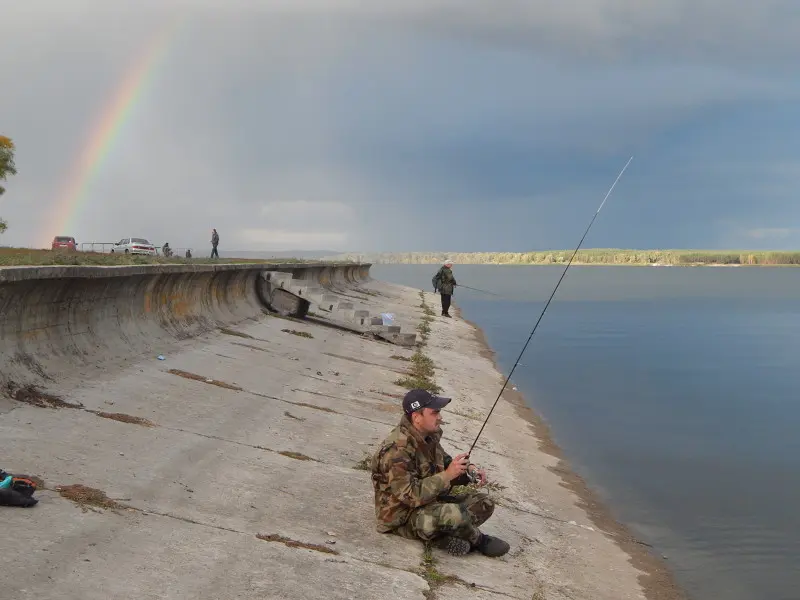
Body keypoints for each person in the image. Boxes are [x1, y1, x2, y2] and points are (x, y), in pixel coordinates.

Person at [369, 389, 510, 557]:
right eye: (435, 412)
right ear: (416, 417)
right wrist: (447, 476)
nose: (440, 417)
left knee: (484, 502)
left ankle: (444, 534)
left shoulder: (428, 436)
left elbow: (444, 461)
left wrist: (468, 470)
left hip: (429, 502)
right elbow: (410, 495)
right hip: (402, 517)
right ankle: (478, 541)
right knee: (453, 514)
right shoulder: (396, 451)